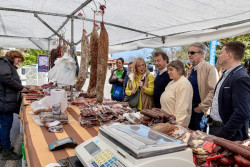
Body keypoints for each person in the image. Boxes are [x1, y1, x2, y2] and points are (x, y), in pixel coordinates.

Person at [209, 41, 250, 141]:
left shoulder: (240, 78)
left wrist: (224, 133)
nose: (219, 56)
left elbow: (242, 113)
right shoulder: (228, 74)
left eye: (221, 53)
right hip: (216, 129)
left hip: (228, 135)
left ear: (229, 55)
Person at [0, 50, 26, 160]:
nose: (18, 63)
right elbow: (6, 78)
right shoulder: (4, 63)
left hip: (5, 101)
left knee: (4, 125)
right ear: (14, 56)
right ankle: (6, 152)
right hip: (4, 102)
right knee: (6, 125)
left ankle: (3, 146)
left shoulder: (6, 63)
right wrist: (20, 88)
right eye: (18, 60)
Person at [187, 43, 219, 131]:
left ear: (202, 54)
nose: (189, 55)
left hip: (199, 113)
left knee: (198, 141)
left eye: (192, 52)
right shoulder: (191, 70)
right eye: (188, 52)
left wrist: (201, 108)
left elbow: (214, 91)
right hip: (189, 111)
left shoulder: (210, 68)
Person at [160, 60, 193, 127]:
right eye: (168, 70)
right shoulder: (171, 83)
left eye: (171, 70)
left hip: (175, 126)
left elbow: (182, 111)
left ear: (179, 70)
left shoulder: (184, 84)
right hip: (167, 123)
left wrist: (175, 127)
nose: (168, 72)